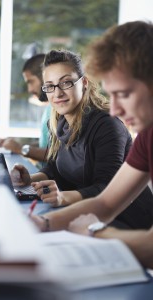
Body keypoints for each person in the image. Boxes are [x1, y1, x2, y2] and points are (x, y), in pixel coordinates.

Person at [30, 21, 153, 268]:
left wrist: (94, 232)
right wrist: (42, 224)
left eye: (124, 94)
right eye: (112, 94)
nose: (115, 108)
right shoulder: (148, 135)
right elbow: (106, 202)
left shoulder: (108, 125)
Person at [12, 49, 153, 230]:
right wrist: (28, 180)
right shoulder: (58, 123)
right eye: (50, 86)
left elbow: (107, 188)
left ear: (84, 83)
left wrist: (63, 197)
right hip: (88, 214)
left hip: (125, 219)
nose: (58, 93)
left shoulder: (107, 126)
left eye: (66, 83)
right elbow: (56, 168)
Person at [0, 54, 51, 164]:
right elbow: (45, 144)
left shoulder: (61, 110)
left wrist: (21, 149)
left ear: (44, 76)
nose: (29, 89)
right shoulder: (50, 108)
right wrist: (16, 146)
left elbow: (60, 155)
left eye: (31, 81)